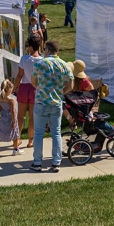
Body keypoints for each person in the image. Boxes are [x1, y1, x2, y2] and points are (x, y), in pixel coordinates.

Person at [31, 40, 73, 172]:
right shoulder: (64, 65)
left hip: (41, 102)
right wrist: (60, 92)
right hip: (57, 103)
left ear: (47, 50)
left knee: (38, 134)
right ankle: (56, 162)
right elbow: (71, 85)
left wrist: (43, 90)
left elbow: (34, 82)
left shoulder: (40, 63)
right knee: (56, 133)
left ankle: (37, 163)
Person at [13, 36, 42, 148]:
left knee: (20, 116)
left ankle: (17, 138)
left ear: (30, 47)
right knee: (32, 117)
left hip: (24, 88)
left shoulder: (24, 59)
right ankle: (30, 141)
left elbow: (20, 75)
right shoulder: (42, 60)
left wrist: (15, 87)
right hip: (36, 88)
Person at [0, 79, 24, 156]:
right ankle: (15, 149)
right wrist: (14, 122)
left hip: (3, 117)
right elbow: (13, 111)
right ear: (10, 89)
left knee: (0, 132)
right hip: (10, 118)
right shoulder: (11, 100)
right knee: (15, 132)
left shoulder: (0, 98)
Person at [63, 59, 93, 128]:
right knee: (62, 104)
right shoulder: (72, 79)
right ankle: (72, 122)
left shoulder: (84, 81)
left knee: (63, 105)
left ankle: (73, 123)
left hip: (80, 103)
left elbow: (92, 92)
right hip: (73, 100)